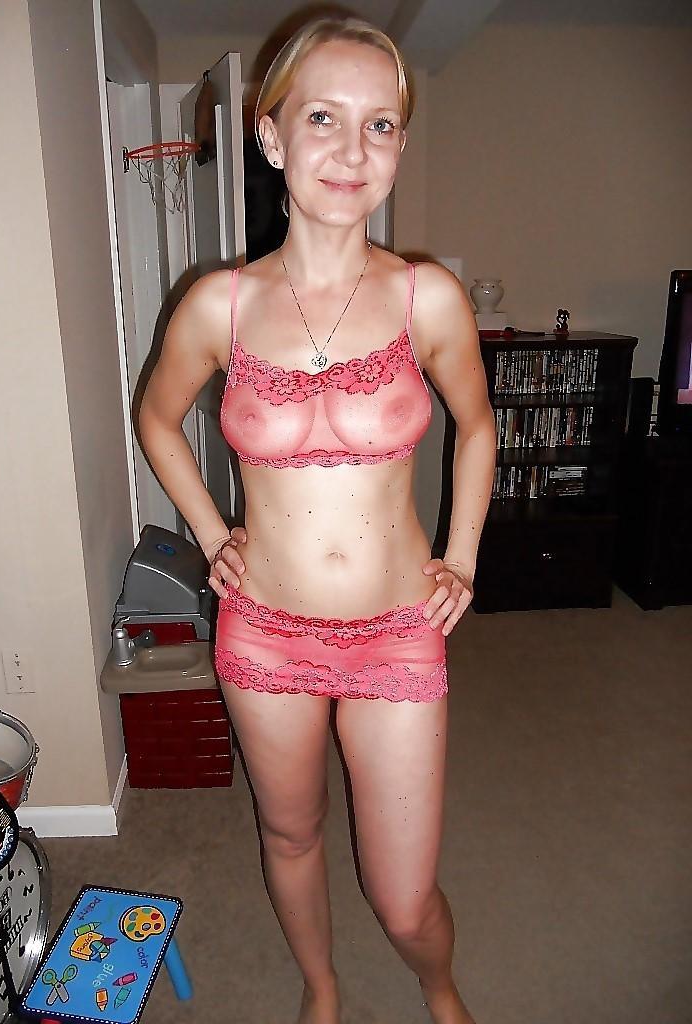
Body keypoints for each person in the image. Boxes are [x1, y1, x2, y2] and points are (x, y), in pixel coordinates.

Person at [138, 14, 496, 1024]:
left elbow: (478, 425)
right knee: (290, 834)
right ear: (271, 135)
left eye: (380, 125)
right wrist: (213, 533)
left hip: (397, 629)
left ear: (400, 146)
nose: (351, 151)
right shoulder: (219, 306)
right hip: (264, 633)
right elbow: (157, 418)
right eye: (324, 118)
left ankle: (438, 985)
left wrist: (464, 554)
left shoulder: (429, 299)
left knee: (403, 894)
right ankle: (322, 986)